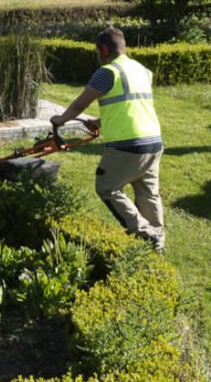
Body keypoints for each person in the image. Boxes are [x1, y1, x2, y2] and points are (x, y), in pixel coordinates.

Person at [50, 27, 165, 252]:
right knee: (148, 193)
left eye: (97, 51)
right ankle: (158, 241)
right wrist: (100, 122)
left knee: (107, 187)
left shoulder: (107, 72)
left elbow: (79, 104)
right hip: (153, 141)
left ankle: (144, 231)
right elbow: (132, 104)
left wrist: (60, 120)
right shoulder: (141, 69)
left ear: (103, 49)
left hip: (127, 145)